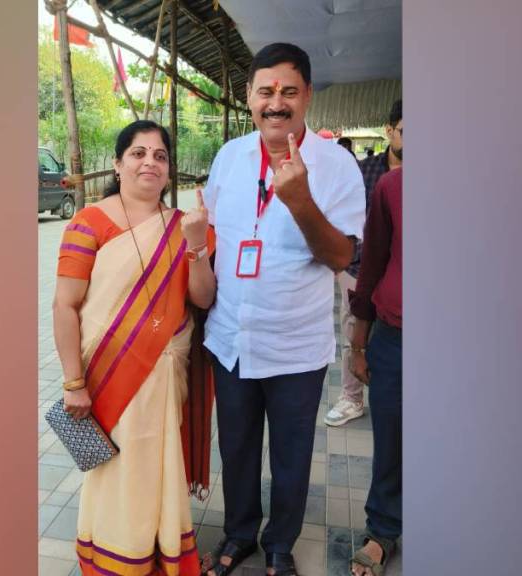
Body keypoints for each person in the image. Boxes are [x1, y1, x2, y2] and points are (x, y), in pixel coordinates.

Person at [200, 43, 365, 576]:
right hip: (232, 340)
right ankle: (239, 534)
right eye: (266, 91)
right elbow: (216, 240)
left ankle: (280, 546)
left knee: (292, 459)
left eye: (288, 92)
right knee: (239, 449)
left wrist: (299, 200)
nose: (276, 103)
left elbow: (342, 257)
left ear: (307, 96)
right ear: (248, 97)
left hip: (296, 346)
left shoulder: (336, 165)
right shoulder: (229, 156)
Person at [54, 120, 217, 576]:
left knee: (161, 469)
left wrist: (197, 246)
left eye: (160, 156)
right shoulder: (89, 222)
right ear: (118, 163)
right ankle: (115, 559)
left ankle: (161, 554)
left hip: (167, 376)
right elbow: (65, 306)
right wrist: (73, 383)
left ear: (170, 171)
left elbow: (203, 299)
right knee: (116, 473)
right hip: (109, 376)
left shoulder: (184, 226)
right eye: (138, 153)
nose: (150, 162)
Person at [324, 100, 402, 427]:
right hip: (359, 269)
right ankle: (351, 398)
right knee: (353, 331)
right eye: (404, 131)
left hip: (398, 282)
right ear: (389, 131)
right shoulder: (366, 171)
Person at [347, 161, 403, 575]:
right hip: (396, 336)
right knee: (392, 441)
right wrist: (358, 342)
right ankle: (382, 529)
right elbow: (372, 264)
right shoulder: (392, 187)